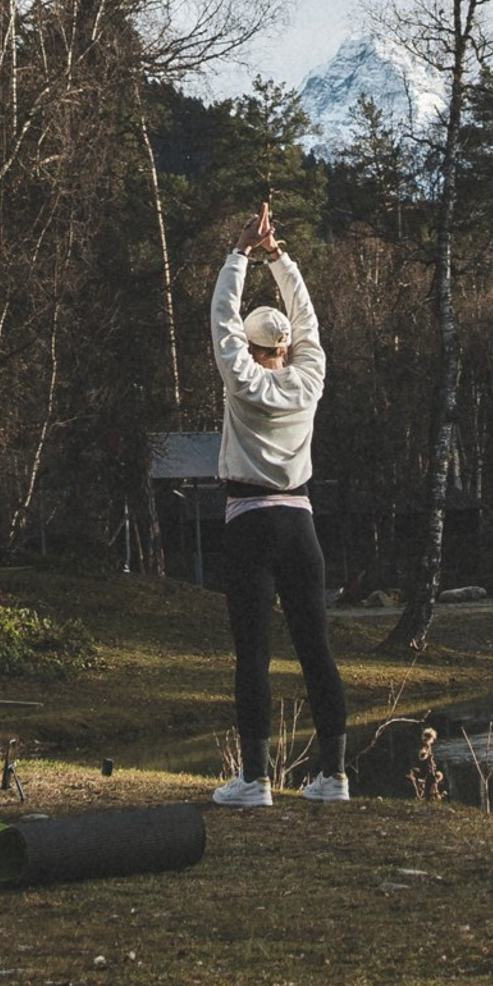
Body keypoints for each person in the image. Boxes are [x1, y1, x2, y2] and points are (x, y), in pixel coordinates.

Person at [209, 202, 349, 808]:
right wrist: (282, 259)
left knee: (254, 656)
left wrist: (241, 253)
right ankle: (334, 777)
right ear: (287, 346)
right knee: (317, 648)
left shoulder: (241, 379)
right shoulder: (308, 379)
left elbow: (220, 318)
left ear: (249, 343)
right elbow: (310, 322)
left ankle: (256, 780)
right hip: (301, 524)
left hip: (249, 523)